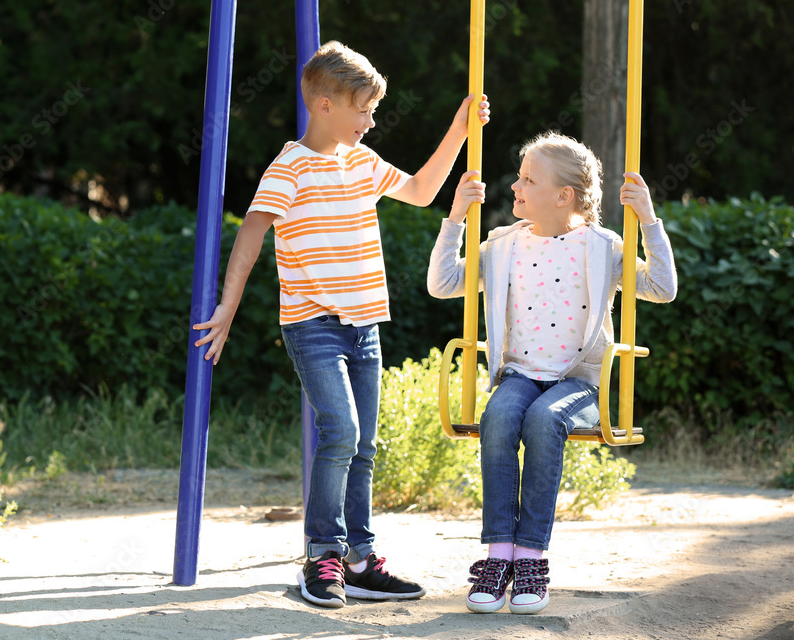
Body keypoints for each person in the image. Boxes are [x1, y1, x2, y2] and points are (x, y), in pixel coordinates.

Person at [193, 40, 490, 609]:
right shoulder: (290, 166)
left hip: (366, 326)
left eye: (374, 110)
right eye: (363, 110)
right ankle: (322, 554)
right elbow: (252, 233)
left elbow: (422, 191)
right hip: (314, 326)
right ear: (324, 105)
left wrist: (457, 130)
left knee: (365, 445)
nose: (371, 121)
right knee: (342, 434)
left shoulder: (362, 162)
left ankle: (358, 559)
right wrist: (228, 307)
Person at [427, 131, 677, 614]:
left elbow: (661, 287)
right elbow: (443, 283)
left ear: (564, 196)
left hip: (578, 381)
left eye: (528, 179)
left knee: (545, 420)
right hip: (520, 374)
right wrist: (456, 217)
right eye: (519, 177)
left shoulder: (603, 247)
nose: (515, 186)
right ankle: (498, 554)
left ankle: (531, 559)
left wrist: (648, 219)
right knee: (499, 417)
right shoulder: (502, 245)